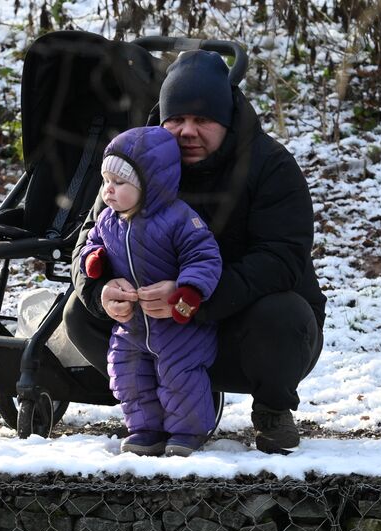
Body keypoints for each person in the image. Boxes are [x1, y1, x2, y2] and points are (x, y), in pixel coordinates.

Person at [65, 49, 326, 454]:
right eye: (176, 120)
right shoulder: (135, 159)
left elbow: (282, 260)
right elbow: (88, 237)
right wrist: (99, 286)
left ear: (226, 121)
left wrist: (190, 300)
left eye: (202, 120)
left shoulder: (271, 166)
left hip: (241, 332)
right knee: (79, 312)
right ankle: (155, 413)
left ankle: (273, 410)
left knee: (284, 314)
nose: (187, 131)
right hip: (156, 333)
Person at [78, 126, 222, 457]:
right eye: (106, 182)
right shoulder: (107, 220)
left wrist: (188, 292)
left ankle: (187, 431)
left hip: (176, 324)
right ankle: (145, 429)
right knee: (127, 371)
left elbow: (203, 256)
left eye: (120, 183)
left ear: (150, 184)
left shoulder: (179, 219)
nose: (109, 191)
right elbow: (92, 243)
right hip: (132, 323)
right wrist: (94, 260)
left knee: (178, 375)